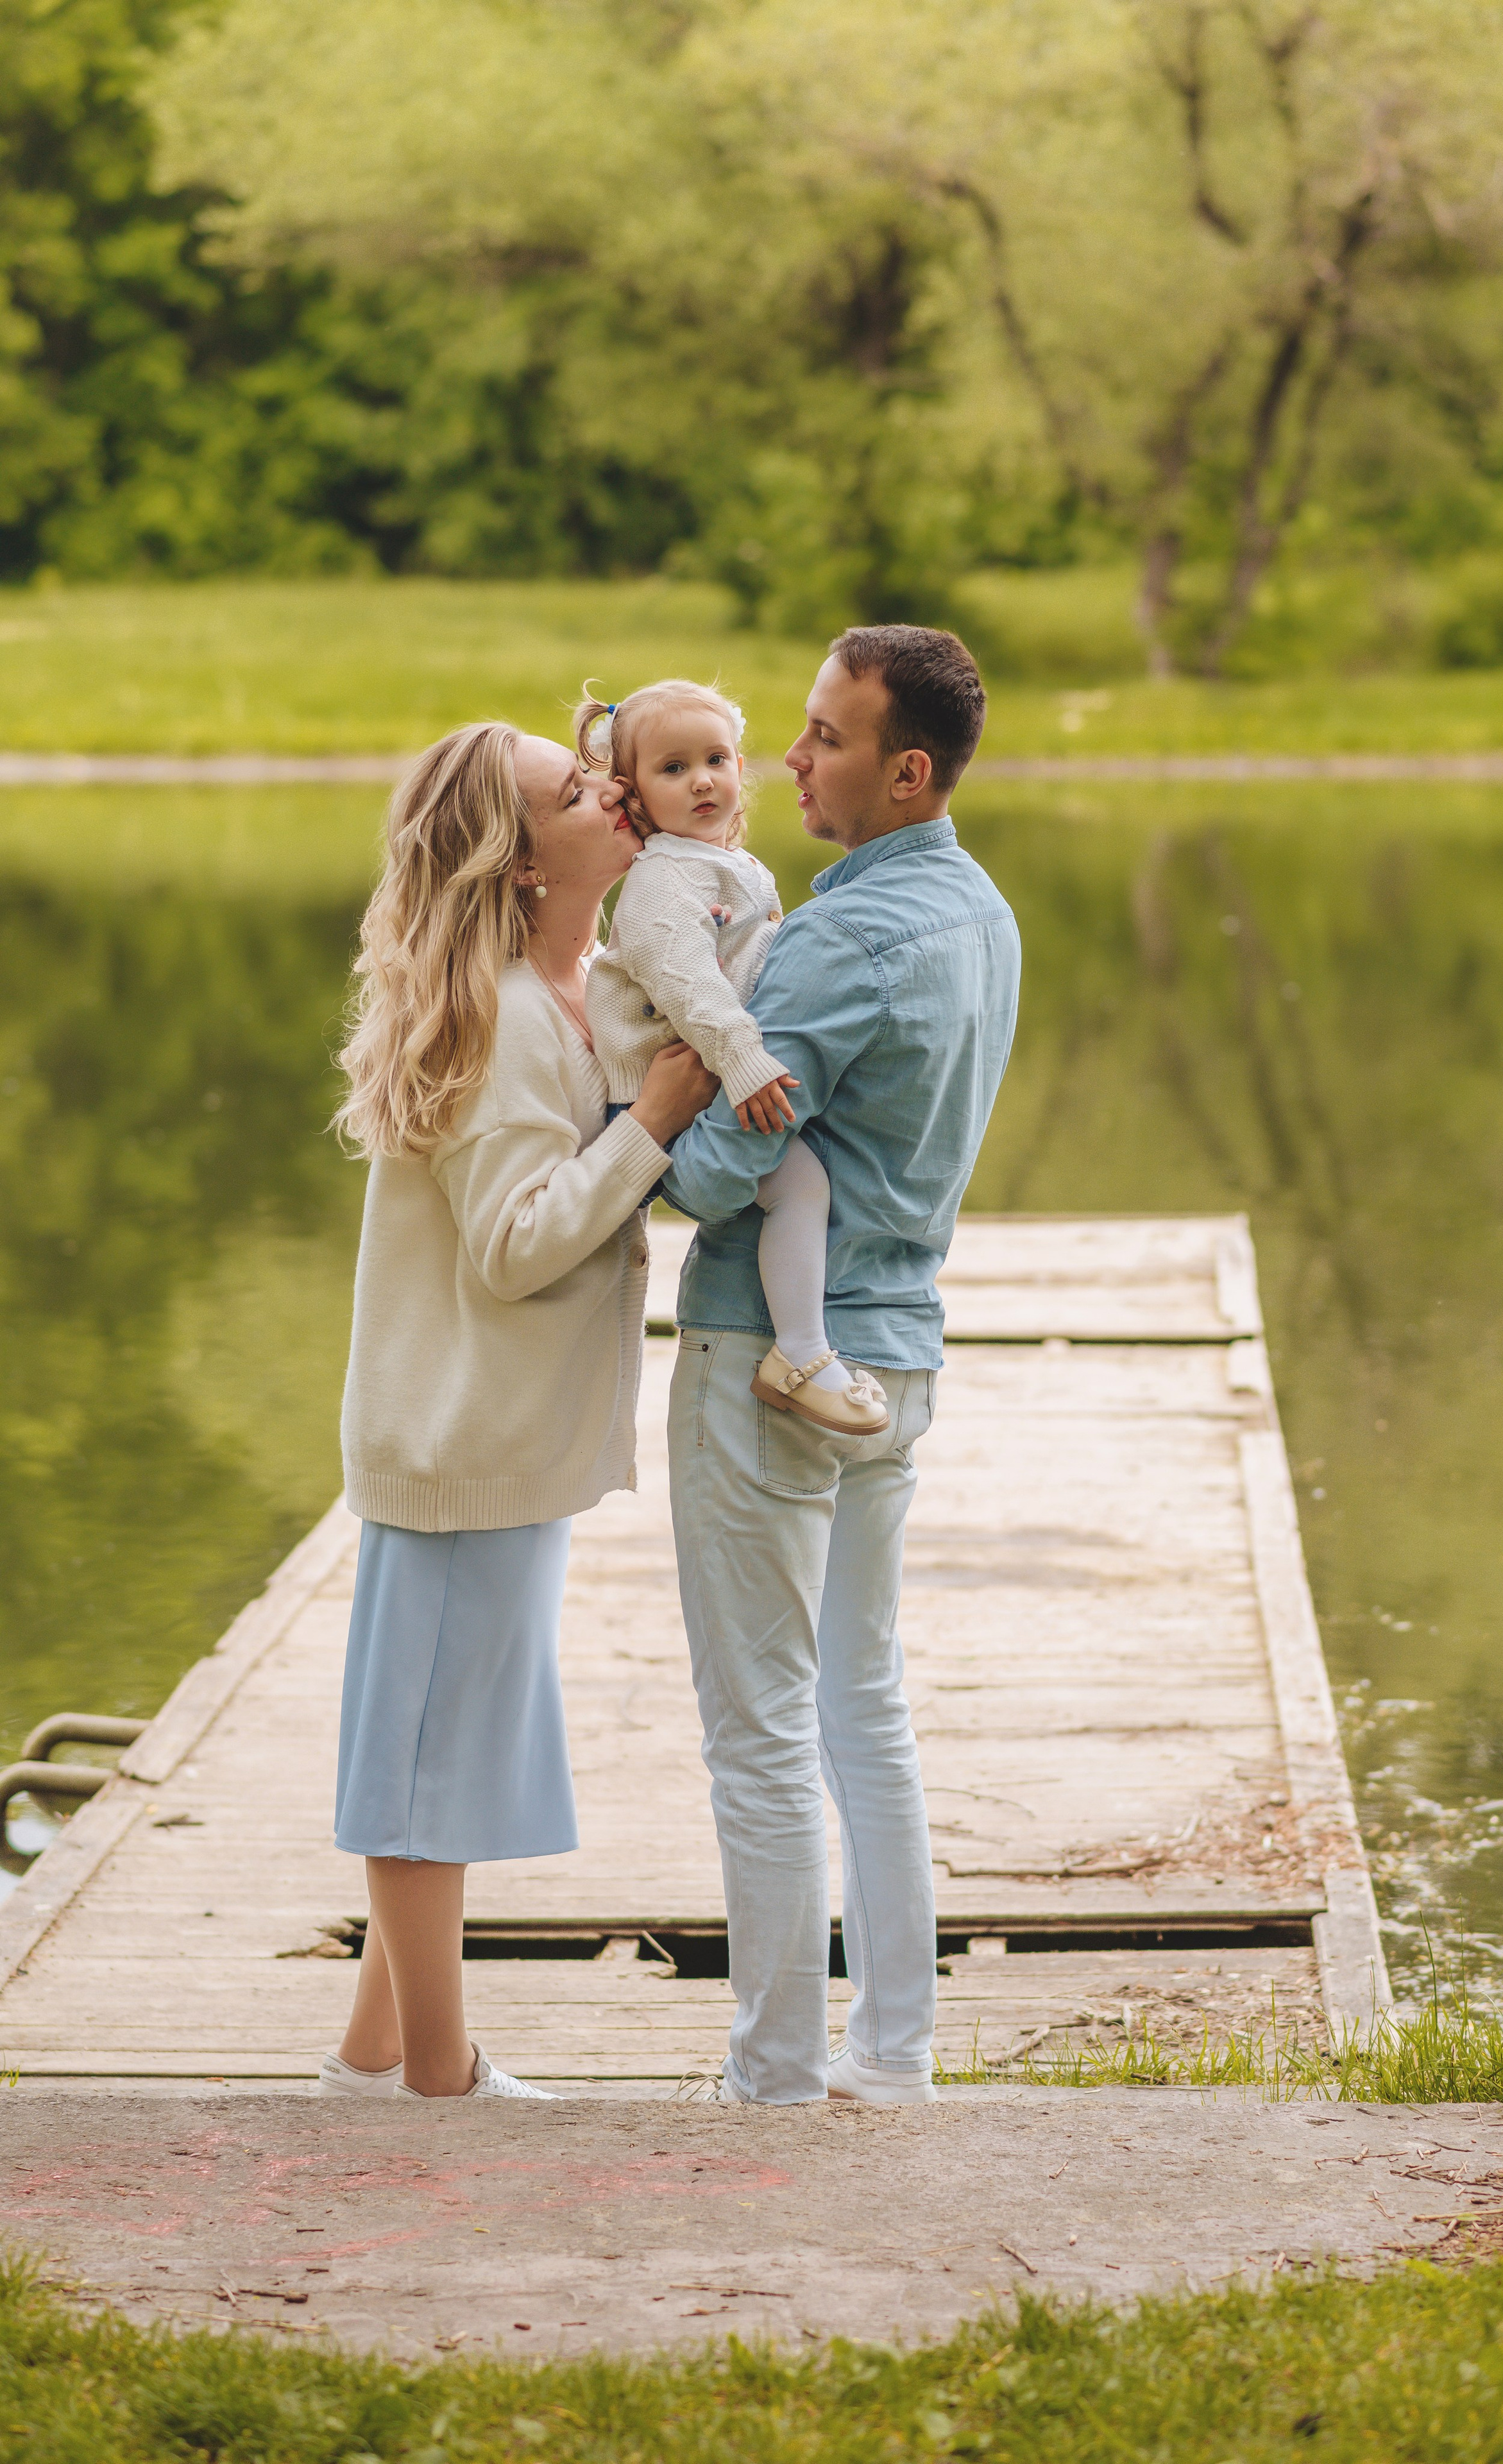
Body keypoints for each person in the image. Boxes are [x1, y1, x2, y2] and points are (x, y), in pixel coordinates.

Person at [323, 719, 717, 2103]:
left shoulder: (591, 989)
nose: (616, 795)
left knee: (450, 1740)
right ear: (520, 854)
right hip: (455, 1446)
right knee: (422, 1770)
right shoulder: (494, 1015)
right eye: (576, 790)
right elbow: (513, 1244)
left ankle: (369, 2055)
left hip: (508, 1448)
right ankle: (439, 2079)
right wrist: (649, 1125)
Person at [662, 624, 1021, 2106]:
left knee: (758, 1729)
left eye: (820, 737)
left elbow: (708, 1169)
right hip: (900, 1355)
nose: (786, 761)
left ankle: (772, 2074)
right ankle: (890, 2055)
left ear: (906, 769)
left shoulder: (846, 934)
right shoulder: (981, 913)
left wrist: (640, 1124)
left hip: (772, 1361)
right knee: (859, 1704)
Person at [576, 678, 887, 1437]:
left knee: (811, 1180)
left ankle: (812, 1334)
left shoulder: (725, 865)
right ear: (635, 796)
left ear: (741, 766)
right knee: (800, 1186)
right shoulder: (659, 880)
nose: (703, 779)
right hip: (668, 1095)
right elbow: (689, 988)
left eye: (716, 758)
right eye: (673, 769)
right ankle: (801, 1354)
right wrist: (746, 1062)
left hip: (711, 1072)